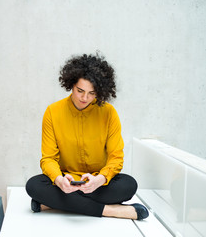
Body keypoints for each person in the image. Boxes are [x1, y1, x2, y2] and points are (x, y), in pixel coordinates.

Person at [25, 53, 149, 220]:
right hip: (66, 182)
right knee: (34, 186)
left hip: (98, 183)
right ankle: (113, 211)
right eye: (80, 91)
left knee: (128, 185)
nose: (85, 98)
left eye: (92, 93)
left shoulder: (109, 113)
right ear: (71, 84)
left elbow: (116, 158)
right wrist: (59, 180)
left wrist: (99, 179)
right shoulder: (52, 112)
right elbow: (48, 159)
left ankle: (50, 203)